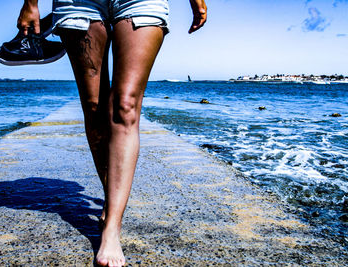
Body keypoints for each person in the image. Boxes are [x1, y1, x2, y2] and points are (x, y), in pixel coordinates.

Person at [17, 0, 207, 266]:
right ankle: (111, 200)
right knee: (94, 108)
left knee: (126, 106)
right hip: (79, 3)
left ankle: (112, 227)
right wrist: (30, 3)